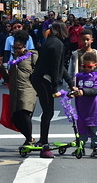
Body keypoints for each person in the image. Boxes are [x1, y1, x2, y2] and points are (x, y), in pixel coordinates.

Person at [30, 21, 74, 158]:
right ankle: (44, 144)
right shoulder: (56, 44)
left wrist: (70, 82)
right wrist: (55, 88)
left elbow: (60, 67)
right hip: (43, 79)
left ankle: (43, 141)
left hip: (41, 78)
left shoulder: (52, 42)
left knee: (47, 111)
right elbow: (55, 68)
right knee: (48, 111)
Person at [72, 52, 97, 157]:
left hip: (94, 106)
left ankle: (96, 147)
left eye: (89, 66)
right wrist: (73, 93)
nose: (86, 68)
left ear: (95, 65)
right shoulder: (80, 76)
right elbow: (76, 88)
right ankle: (81, 146)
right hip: (82, 105)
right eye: (84, 66)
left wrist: (83, 92)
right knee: (81, 126)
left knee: (94, 126)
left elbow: (96, 90)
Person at [3, 30, 38, 146]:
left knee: (24, 113)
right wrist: (0, 69)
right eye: (14, 48)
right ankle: (30, 137)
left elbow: (40, 72)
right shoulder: (13, 62)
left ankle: (28, 139)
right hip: (15, 91)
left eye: (19, 48)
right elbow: (8, 79)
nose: (16, 51)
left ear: (25, 46)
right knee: (15, 118)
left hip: (28, 89)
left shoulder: (33, 56)